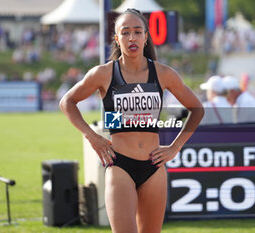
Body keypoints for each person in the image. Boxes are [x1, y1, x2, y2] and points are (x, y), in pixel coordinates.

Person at [59, 8, 204, 233]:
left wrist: (175, 148)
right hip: (120, 165)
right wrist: (92, 136)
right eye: (125, 33)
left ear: (146, 36)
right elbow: (67, 102)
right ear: (117, 38)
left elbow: (197, 109)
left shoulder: (163, 74)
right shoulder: (104, 74)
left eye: (137, 32)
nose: (132, 38)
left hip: (153, 167)